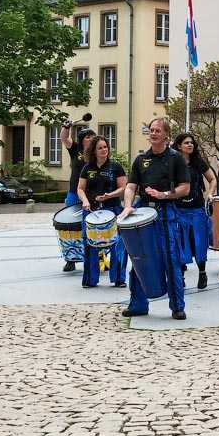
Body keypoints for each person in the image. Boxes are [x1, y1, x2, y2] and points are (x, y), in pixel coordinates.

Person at [120, 117, 189, 320]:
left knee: (170, 260)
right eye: (151, 130)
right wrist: (128, 205)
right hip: (143, 213)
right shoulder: (141, 159)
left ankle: (177, 306)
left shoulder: (176, 158)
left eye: (158, 130)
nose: (154, 133)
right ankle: (138, 304)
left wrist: (165, 195)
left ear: (166, 135)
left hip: (166, 212)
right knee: (139, 258)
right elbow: (131, 186)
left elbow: (185, 188)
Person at [77, 137, 128, 288]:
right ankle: (90, 280)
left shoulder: (115, 167)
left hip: (112, 210)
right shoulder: (87, 168)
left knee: (117, 244)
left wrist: (110, 195)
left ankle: (119, 278)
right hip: (92, 210)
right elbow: (80, 188)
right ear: (94, 150)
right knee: (90, 244)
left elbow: (124, 187)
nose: (104, 150)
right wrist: (85, 201)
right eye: (100, 148)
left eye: (105, 147)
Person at [171, 132, 215, 289]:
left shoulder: (198, 162)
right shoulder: (173, 162)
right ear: (178, 146)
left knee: (199, 242)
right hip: (178, 209)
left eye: (192, 143)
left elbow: (212, 179)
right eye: (186, 143)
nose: (190, 145)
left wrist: (210, 193)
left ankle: (202, 273)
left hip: (197, 209)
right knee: (181, 243)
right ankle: (180, 276)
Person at [60, 125, 96, 271]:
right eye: (88, 137)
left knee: (93, 227)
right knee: (70, 227)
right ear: (82, 140)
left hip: (92, 194)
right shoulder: (75, 149)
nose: (91, 139)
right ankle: (71, 259)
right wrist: (66, 127)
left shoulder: (97, 152)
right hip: (74, 193)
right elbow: (63, 138)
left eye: (93, 136)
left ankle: (99, 257)